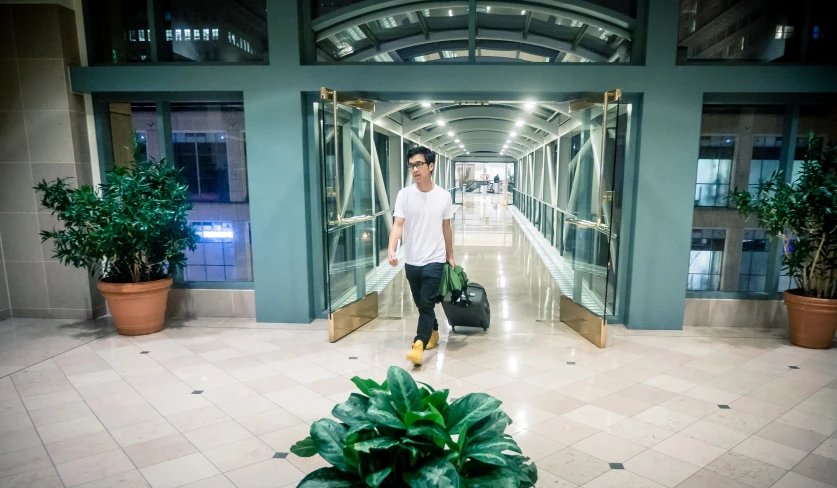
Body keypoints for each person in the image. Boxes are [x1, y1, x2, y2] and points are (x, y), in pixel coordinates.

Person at [388, 146, 455, 366]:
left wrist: (450, 255)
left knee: (426, 303)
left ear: (430, 166)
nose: (414, 170)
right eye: (411, 166)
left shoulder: (444, 196)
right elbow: (398, 225)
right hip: (412, 260)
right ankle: (433, 330)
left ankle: (419, 344)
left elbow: (446, 227)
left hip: (434, 259)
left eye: (419, 164)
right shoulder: (404, 195)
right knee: (420, 302)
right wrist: (392, 248)